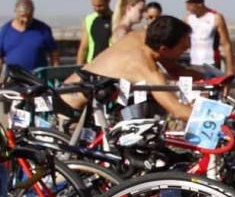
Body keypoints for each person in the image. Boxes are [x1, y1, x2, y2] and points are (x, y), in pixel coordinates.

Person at [62, 16, 193, 120]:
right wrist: (210, 120)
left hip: (69, 92)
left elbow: (173, 68)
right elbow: (177, 111)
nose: (187, 49)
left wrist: (208, 77)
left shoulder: (142, 36)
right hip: (71, 109)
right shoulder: (145, 68)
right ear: (164, 49)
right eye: (183, 48)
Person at [0, 0, 60, 70]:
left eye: (29, 16)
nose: (26, 20)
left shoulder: (43, 30)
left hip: (37, 79)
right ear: (15, 12)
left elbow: (54, 54)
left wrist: (55, 75)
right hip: (14, 79)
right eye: (22, 16)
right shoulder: (4, 31)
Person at [183, 0, 234, 72]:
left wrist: (230, 69)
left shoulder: (216, 17)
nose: (187, 8)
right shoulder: (188, 18)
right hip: (194, 63)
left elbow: (226, 44)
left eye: (189, 4)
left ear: (199, 4)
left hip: (211, 63)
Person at [75, 0, 113, 65]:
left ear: (108, 1)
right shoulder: (89, 19)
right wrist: (78, 67)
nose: (97, 8)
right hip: (93, 64)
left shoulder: (116, 19)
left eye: (100, 5)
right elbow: (84, 46)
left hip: (110, 64)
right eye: (94, 6)